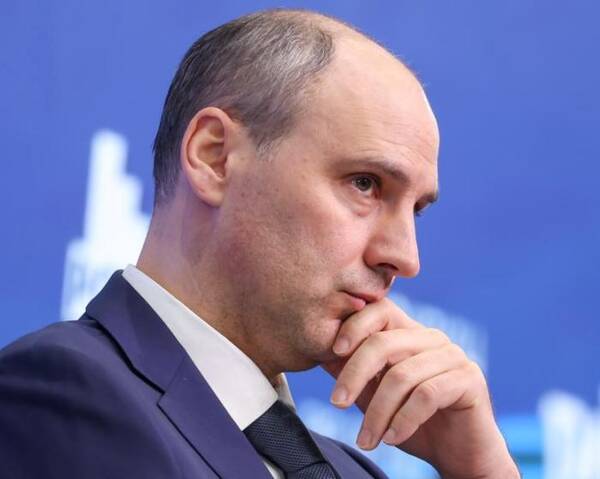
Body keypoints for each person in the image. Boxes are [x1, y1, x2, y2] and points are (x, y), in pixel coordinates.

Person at [0, 8, 520, 479]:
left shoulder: (355, 472)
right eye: (365, 184)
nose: (405, 258)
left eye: (417, 210)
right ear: (215, 157)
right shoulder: (58, 393)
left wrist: (481, 471)